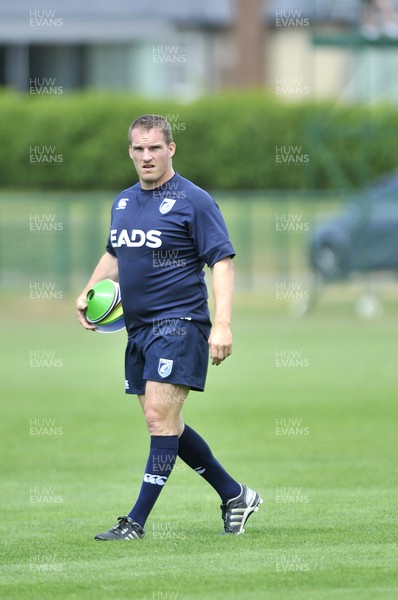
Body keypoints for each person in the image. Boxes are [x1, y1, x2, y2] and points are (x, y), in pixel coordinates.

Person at [76, 114, 262, 541]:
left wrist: (223, 324)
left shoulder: (193, 200)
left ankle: (134, 522)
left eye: (155, 148)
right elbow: (116, 255)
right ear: (130, 151)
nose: (146, 157)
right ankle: (236, 495)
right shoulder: (123, 202)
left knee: (161, 419)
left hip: (180, 325)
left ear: (171, 149)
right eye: (139, 149)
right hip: (138, 330)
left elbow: (222, 261)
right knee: (167, 424)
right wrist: (88, 291)